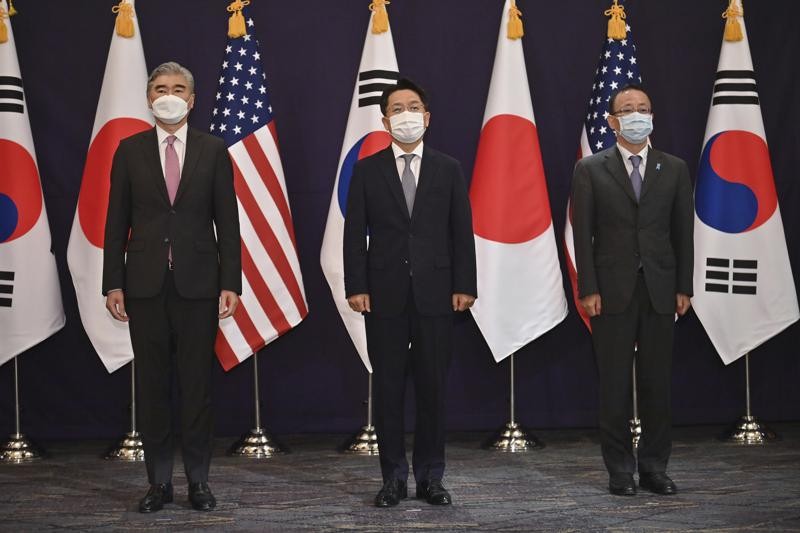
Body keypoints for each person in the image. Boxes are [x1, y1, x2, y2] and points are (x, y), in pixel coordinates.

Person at [102, 62, 241, 513]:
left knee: (197, 389)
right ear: (148, 97)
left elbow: (228, 221)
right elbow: (115, 222)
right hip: (143, 287)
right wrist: (112, 283)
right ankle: (158, 484)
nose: (169, 94)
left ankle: (198, 482)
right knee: (154, 388)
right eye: (160, 88)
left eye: (178, 88)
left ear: (192, 99)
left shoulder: (214, 149)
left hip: (200, 286)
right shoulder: (128, 150)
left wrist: (230, 283)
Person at [343, 78, 477, 507]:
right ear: (384, 120)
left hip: (439, 295)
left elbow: (461, 232)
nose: (406, 115)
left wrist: (465, 285)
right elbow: (353, 235)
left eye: (413, 107)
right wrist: (356, 285)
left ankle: (431, 477)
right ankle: (393, 478)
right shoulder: (366, 170)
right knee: (387, 391)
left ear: (427, 117)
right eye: (397, 109)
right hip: (383, 296)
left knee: (433, 389)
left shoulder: (448, 168)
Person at [571, 84, 693, 496]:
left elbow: (683, 234)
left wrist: (684, 286)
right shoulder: (590, 169)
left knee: (658, 385)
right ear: (612, 121)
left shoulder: (673, 168)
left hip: (661, 290)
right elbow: (582, 235)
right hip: (610, 292)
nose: (637, 115)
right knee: (615, 387)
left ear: (653, 116)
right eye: (627, 109)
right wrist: (587, 288)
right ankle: (620, 472)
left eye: (643, 108)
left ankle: (655, 468)